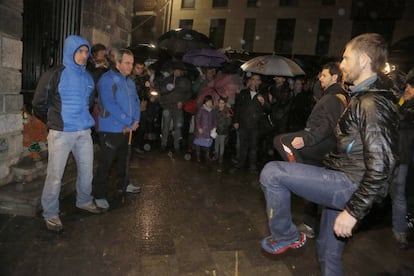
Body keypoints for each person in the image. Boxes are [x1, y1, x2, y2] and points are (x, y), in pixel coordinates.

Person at [259, 33, 399, 276]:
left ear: (364, 60)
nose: (342, 65)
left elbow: (383, 165)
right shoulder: (362, 97)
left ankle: (287, 236)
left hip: (349, 185)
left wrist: (353, 211)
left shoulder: (372, 103)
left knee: (272, 173)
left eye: (346, 58)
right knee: (327, 251)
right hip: (345, 181)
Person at [32, 35, 102, 232]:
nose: (84, 55)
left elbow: (89, 103)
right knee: (55, 175)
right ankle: (51, 213)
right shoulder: (55, 74)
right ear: (70, 51)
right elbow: (38, 103)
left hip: (83, 132)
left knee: (87, 171)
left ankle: (84, 200)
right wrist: (53, 121)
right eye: (80, 51)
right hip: (61, 133)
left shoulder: (88, 77)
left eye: (86, 51)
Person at [274, 62, 349, 238]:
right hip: (327, 145)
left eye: (323, 76)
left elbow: (327, 125)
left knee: (281, 141)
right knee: (313, 183)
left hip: (322, 143)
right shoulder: (336, 96)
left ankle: (299, 178)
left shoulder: (333, 98)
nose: (320, 78)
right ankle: (310, 224)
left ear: (334, 77)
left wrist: (307, 139)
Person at [93, 49, 141, 210]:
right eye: (127, 63)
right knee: (106, 163)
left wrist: (135, 121)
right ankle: (98, 194)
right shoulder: (107, 80)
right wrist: (128, 120)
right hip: (111, 128)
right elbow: (109, 104)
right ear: (118, 63)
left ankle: (124, 184)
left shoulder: (130, 82)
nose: (130, 66)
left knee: (124, 159)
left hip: (127, 128)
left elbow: (135, 101)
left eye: (132, 63)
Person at [390, 74, 414, 249]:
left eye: (412, 87)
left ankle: (400, 231)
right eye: (408, 86)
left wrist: (401, 103)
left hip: (402, 158)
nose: (408, 89)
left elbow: (401, 118)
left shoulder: (409, 110)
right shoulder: (402, 103)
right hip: (389, 156)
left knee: (398, 195)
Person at [231, 73, 271, 173]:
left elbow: (269, 109)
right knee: (242, 146)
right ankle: (240, 165)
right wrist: (235, 121)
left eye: (257, 80)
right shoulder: (243, 93)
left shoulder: (264, 94)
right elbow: (237, 107)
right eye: (253, 79)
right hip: (243, 124)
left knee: (254, 147)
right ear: (250, 81)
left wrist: (264, 102)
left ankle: (252, 167)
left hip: (256, 125)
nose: (255, 81)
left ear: (260, 82)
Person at [193, 95, 216, 162]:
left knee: (208, 144)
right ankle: (198, 156)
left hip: (209, 131)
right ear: (205, 102)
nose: (209, 103)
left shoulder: (213, 111)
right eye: (208, 102)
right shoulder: (201, 109)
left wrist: (214, 127)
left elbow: (214, 120)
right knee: (198, 143)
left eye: (211, 102)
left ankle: (207, 156)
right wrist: (199, 128)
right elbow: (197, 119)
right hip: (201, 130)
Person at [214, 97, 232, 163]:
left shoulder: (227, 111)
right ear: (218, 103)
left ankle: (221, 156)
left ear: (225, 104)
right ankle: (216, 155)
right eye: (220, 103)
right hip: (216, 130)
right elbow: (213, 119)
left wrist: (225, 125)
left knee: (222, 143)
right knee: (216, 142)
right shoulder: (215, 110)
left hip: (223, 130)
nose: (221, 104)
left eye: (222, 103)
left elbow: (229, 122)